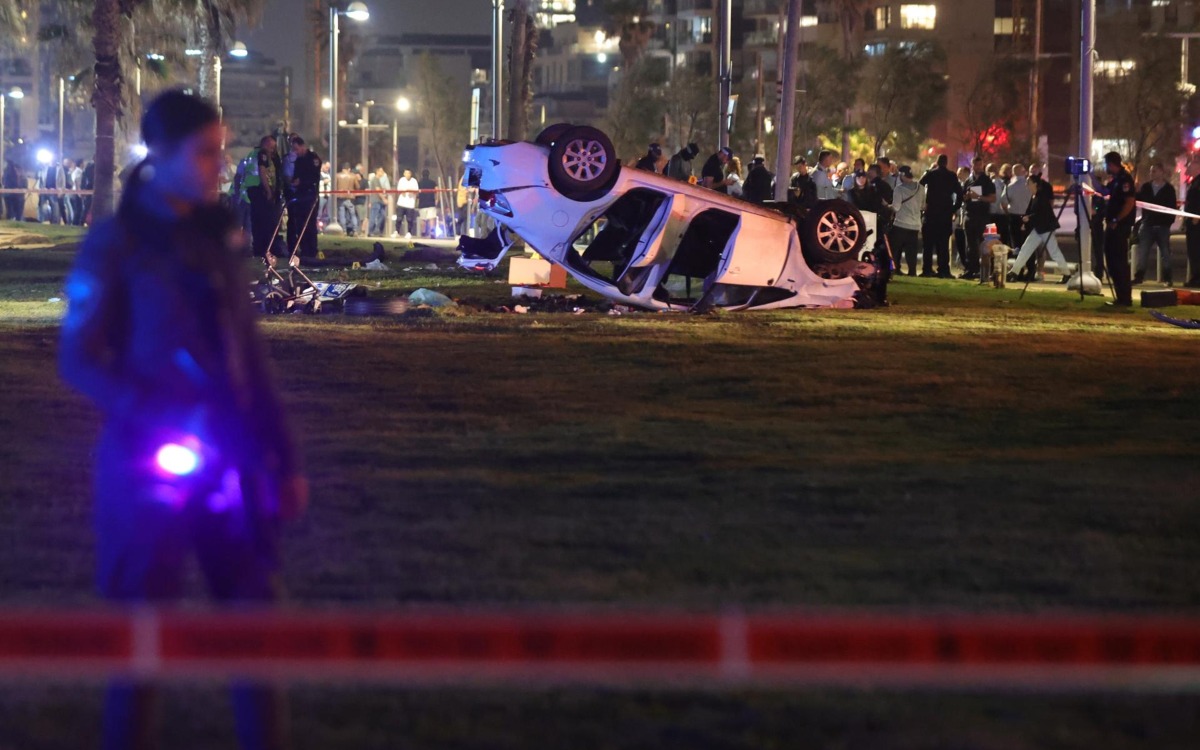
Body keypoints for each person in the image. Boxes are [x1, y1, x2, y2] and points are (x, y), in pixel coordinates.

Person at [58, 89, 305, 750]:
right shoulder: (116, 243)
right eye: (206, 153)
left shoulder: (217, 235)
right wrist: (157, 415)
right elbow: (79, 358)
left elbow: (249, 355)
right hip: (145, 467)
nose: (219, 167)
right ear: (161, 155)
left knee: (254, 633)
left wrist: (282, 455)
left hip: (234, 461)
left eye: (221, 152)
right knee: (140, 646)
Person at [1011, 174, 1072, 284]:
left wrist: (1028, 218)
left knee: (1053, 252)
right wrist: (1027, 218)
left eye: (1028, 183)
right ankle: (1014, 271)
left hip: (1045, 229)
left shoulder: (1041, 196)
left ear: (1035, 184)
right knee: (1026, 249)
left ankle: (1067, 274)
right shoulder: (1035, 196)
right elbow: (1033, 212)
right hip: (1039, 229)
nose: (1026, 185)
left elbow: (1042, 214)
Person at [919, 154, 963, 278]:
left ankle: (927, 269)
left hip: (931, 212)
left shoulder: (931, 174)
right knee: (943, 244)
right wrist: (954, 208)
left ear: (937, 162)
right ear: (946, 163)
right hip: (945, 214)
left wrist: (923, 203)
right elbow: (959, 194)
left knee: (928, 244)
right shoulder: (951, 176)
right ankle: (943, 270)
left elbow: (919, 185)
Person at [1102, 151, 1137, 307]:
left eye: (1106, 165)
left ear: (1111, 164)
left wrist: (1117, 219)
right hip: (1113, 226)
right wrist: (1087, 175)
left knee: (1119, 262)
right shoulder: (1116, 180)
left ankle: (1125, 298)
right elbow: (1104, 191)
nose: (1105, 168)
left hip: (1120, 227)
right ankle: (1120, 297)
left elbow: (1129, 202)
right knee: (1112, 260)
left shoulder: (1125, 179)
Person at [1134, 163, 1176, 286]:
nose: (1152, 173)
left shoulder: (1169, 189)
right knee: (1143, 251)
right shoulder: (1146, 187)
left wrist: (1168, 222)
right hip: (1148, 224)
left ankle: (1168, 278)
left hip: (1162, 226)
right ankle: (1139, 276)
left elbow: (1172, 207)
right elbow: (1140, 200)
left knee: (1165, 252)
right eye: (1151, 171)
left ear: (1162, 172)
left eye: (1155, 171)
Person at [243, 135, 283, 256]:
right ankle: (264, 249)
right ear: (265, 145)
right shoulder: (262, 154)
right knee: (265, 222)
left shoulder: (252, 154)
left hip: (253, 190)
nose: (273, 150)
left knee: (257, 221)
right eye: (271, 147)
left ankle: (259, 249)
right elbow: (262, 171)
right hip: (260, 190)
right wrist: (269, 190)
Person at [960, 156, 997, 280]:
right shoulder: (968, 181)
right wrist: (966, 197)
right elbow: (963, 196)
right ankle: (971, 269)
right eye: (976, 165)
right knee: (970, 246)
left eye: (980, 165)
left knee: (984, 245)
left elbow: (993, 198)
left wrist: (979, 197)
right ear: (972, 166)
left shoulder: (987, 181)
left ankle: (985, 271)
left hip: (982, 217)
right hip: (970, 215)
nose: (978, 167)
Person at [286, 136, 322, 258]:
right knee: (300, 224)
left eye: (297, 149)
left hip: (310, 194)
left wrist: (301, 181)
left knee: (310, 224)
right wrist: (294, 181)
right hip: (300, 194)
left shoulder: (313, 158)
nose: (295, 152)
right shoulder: (299, 160)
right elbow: (297, 174)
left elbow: (314, 177)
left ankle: (312, 250)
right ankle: (304, 250)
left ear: (303, 146)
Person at [888, 165, 924, 276]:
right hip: (915, 225)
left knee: (895, 249)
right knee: (911, 251)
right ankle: (912, 272)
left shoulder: (899, 189)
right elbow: (923, 206)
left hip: (900, 224)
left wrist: (887, 206)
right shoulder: (921, 188)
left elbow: (896, 207)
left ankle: (893, 269)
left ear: (902, 175)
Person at [1185, 160, 1200, 288]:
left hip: (1196, 222)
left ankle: (1197, 277)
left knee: (1196, 250)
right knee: (1193, 251)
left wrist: (1197, 216)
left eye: (1189, 166)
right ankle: (1196, 276)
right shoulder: (1194, 182)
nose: (1187, 169)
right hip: (1192, 221)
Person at [334, 163, 359, 235]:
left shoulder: (337, 175)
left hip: (340, 197)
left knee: (342, 214)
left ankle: (344, 230)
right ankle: (355, 230)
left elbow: (334, 186)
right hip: (350, 197)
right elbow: (357, 186)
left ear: (342, 169)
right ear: (349, 169)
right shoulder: (353, 176)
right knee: (353, 214)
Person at [395, 168, 419, 238]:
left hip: (410, 204)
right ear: (404, 174)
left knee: (410, 219)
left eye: (409, 173)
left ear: (411, 174)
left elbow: (416, 191)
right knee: (399, 218)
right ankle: (397, 231)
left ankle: (409, 232)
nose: (407, 175)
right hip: (401, 203)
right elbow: (399, 190)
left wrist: (410, 191)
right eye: (406, 173)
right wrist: (403, 191)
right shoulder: (401, 180)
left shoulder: (414, 181)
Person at [368, 166, 391, 237]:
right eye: (381, 171)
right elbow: (378, 190)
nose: (382, 173)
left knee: (383, 216)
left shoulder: (378, 180)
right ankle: (371, 231)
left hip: (380, 201)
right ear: (377, 172)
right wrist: (384, 199)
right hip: (376, 201)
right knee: (373, 216)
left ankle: (378, 230)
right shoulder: (375, 179)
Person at [417, 168, 438, 237]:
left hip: (422, 203)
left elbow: (417, 193)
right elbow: (437, 190)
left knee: (423, 219)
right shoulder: (433, 183)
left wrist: (417, 201)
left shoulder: (419, 183)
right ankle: (432, 231)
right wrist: (437, 199)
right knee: (431, 218)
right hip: (431, 202)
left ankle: (423, 232)